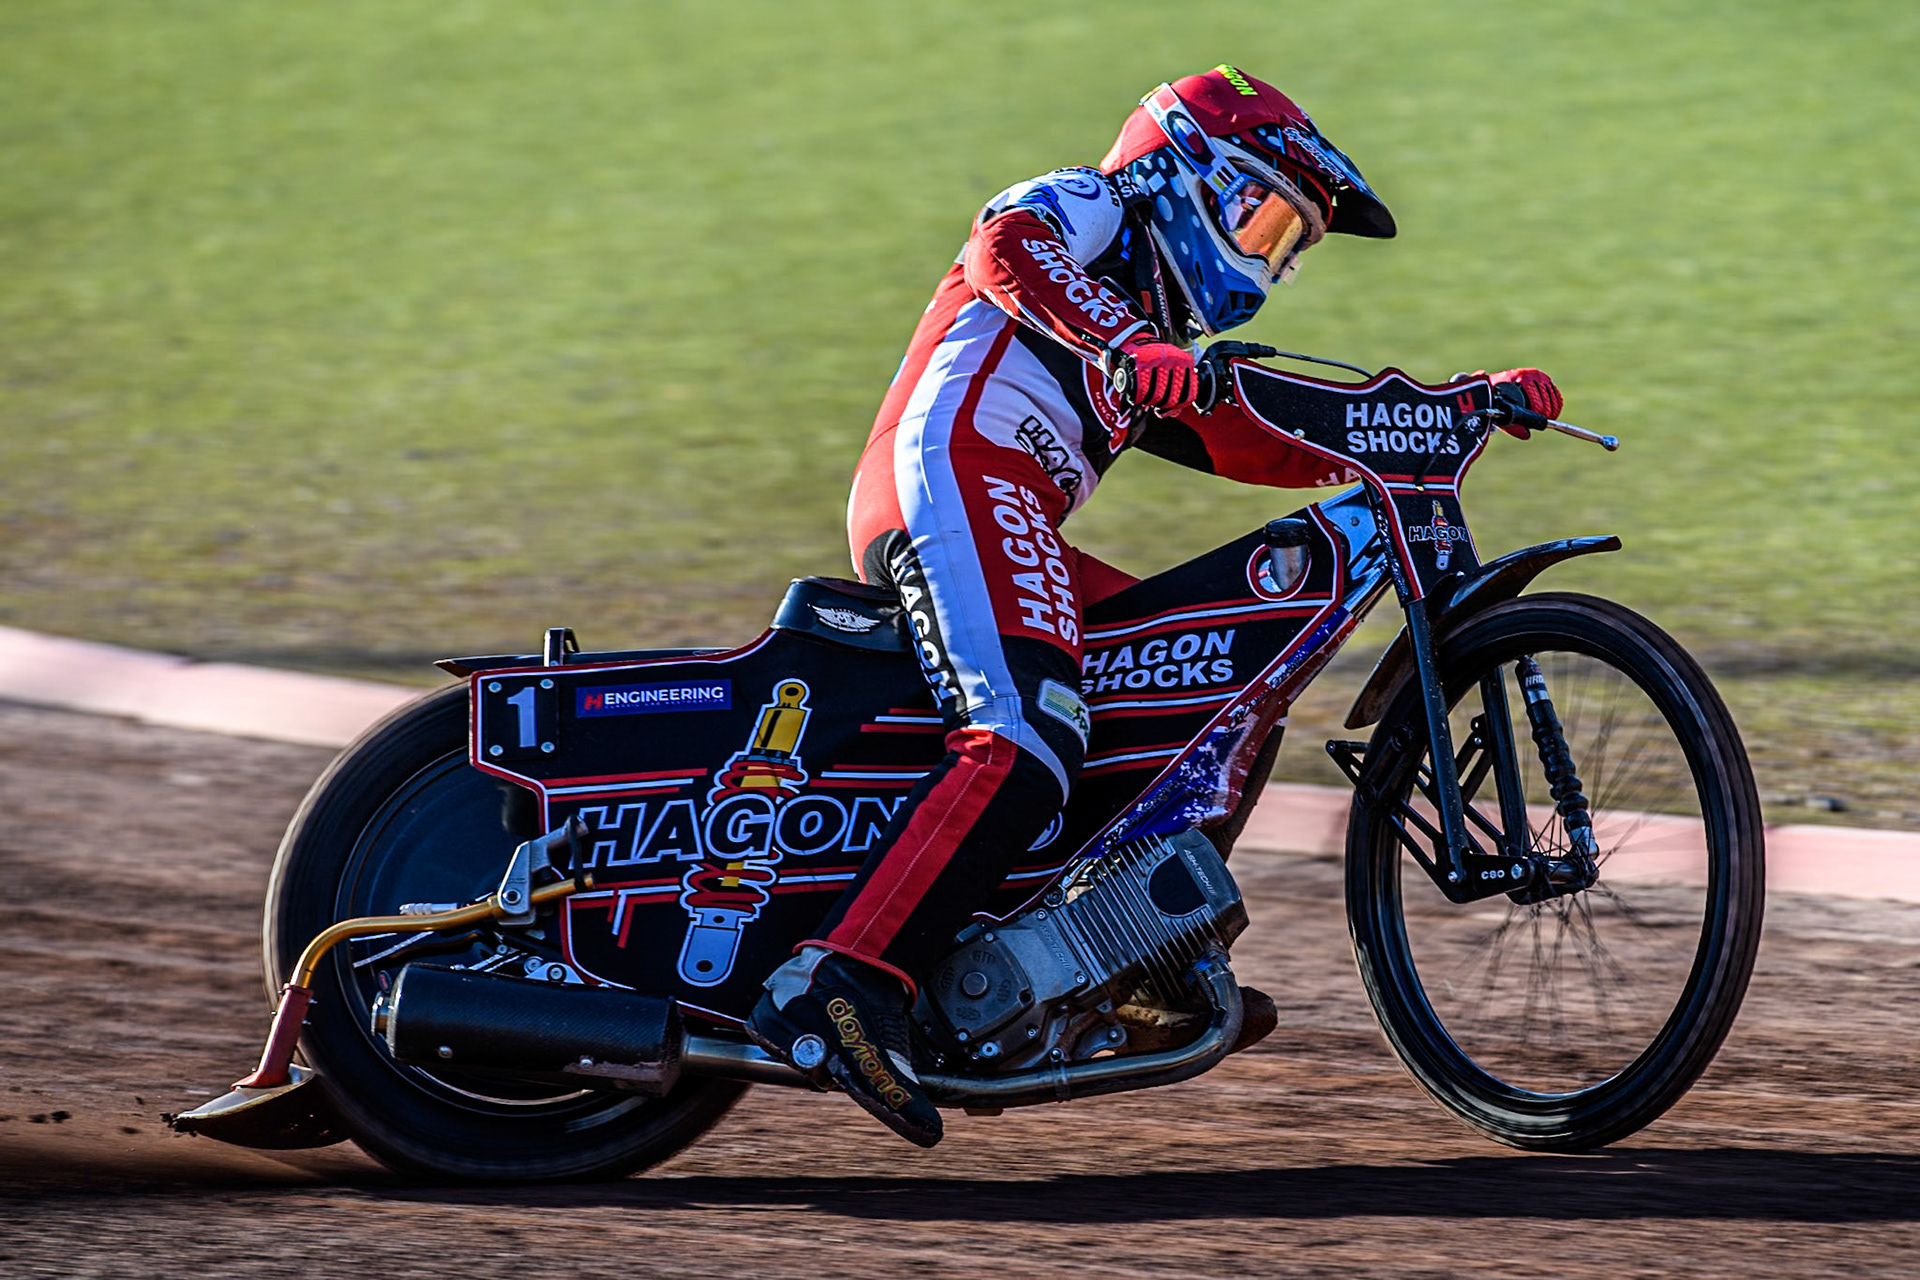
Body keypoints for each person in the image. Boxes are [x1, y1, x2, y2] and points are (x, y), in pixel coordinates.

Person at [747, 66, 1563, 1147]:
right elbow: (1004, 250)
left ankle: (1133, 951)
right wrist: (1127, 347)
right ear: (1190, 170)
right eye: (1264, 217)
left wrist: (1452, 411)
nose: (1270, 260)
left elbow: (1257, 442)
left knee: (1226, 681)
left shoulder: (1159, 327)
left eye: (1290, 244)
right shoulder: (1095, 202)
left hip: (1015, 509)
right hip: (949, 474)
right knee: (1029, 729)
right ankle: (837, 978)